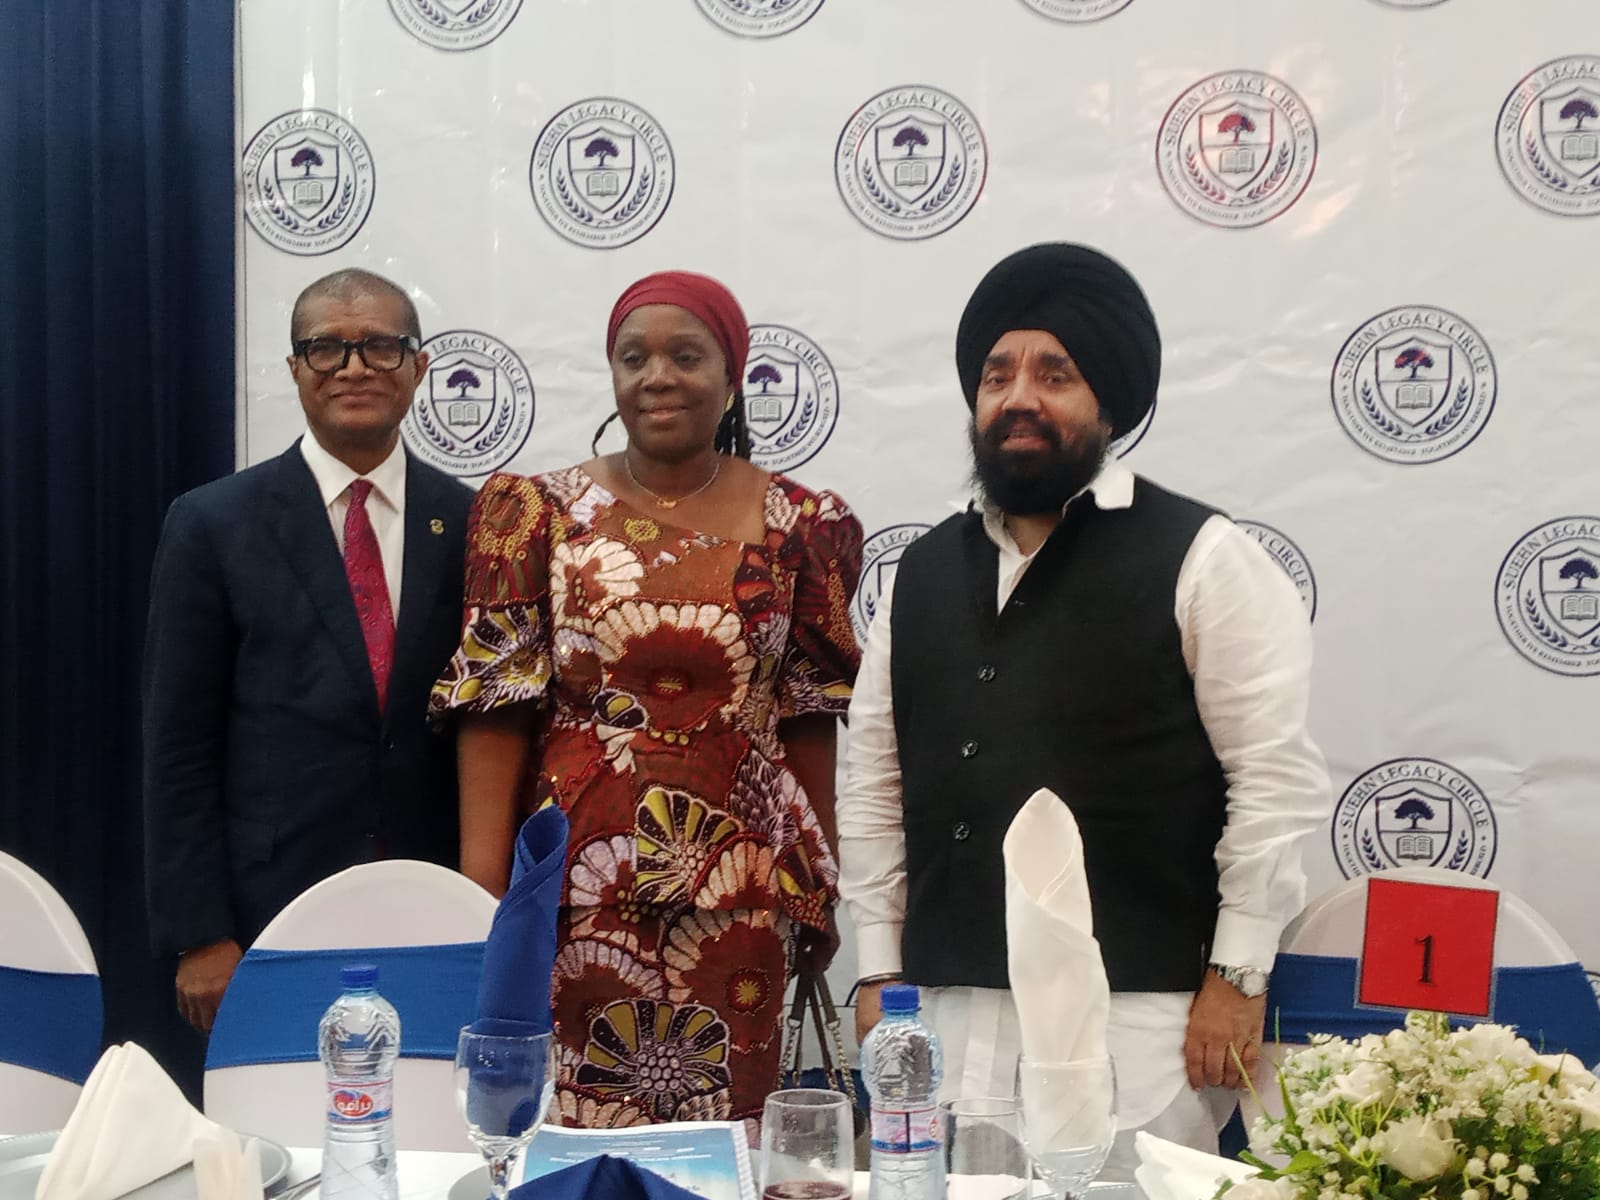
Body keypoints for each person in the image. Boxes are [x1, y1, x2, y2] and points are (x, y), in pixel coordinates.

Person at [837, 243, 1330, 1163]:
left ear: (1108, 405)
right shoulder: (923, 570)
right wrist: (876, 967)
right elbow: (874, 781)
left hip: (1133, 1030)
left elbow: (1272, 780)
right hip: (944, 1019)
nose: (1018, 396)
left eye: (1054, 374)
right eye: (997, 375)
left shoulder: (1202, 556)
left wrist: (1238, 973)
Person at [431, 270, 864, 1128]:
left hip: (740, 887)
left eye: (686, 356)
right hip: (576, 886)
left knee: (726, 1134)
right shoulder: (535, 512)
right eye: (634, 358)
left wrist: (822, 882)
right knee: (577, 1130)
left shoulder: (804, 523)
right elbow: (495, 707)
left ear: (732, 375)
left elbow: (809, 718)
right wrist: (483, 896)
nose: (658, 376)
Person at [143, 267, 471, 1035]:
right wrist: (199, 932)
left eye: (381, 346)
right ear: (294, 368)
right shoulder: (212, 524)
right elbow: (178, 745)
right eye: (326, 348)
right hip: (267, 912)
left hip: (434, 904)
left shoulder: (472, 520)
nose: (354, 367)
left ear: (419, 366)